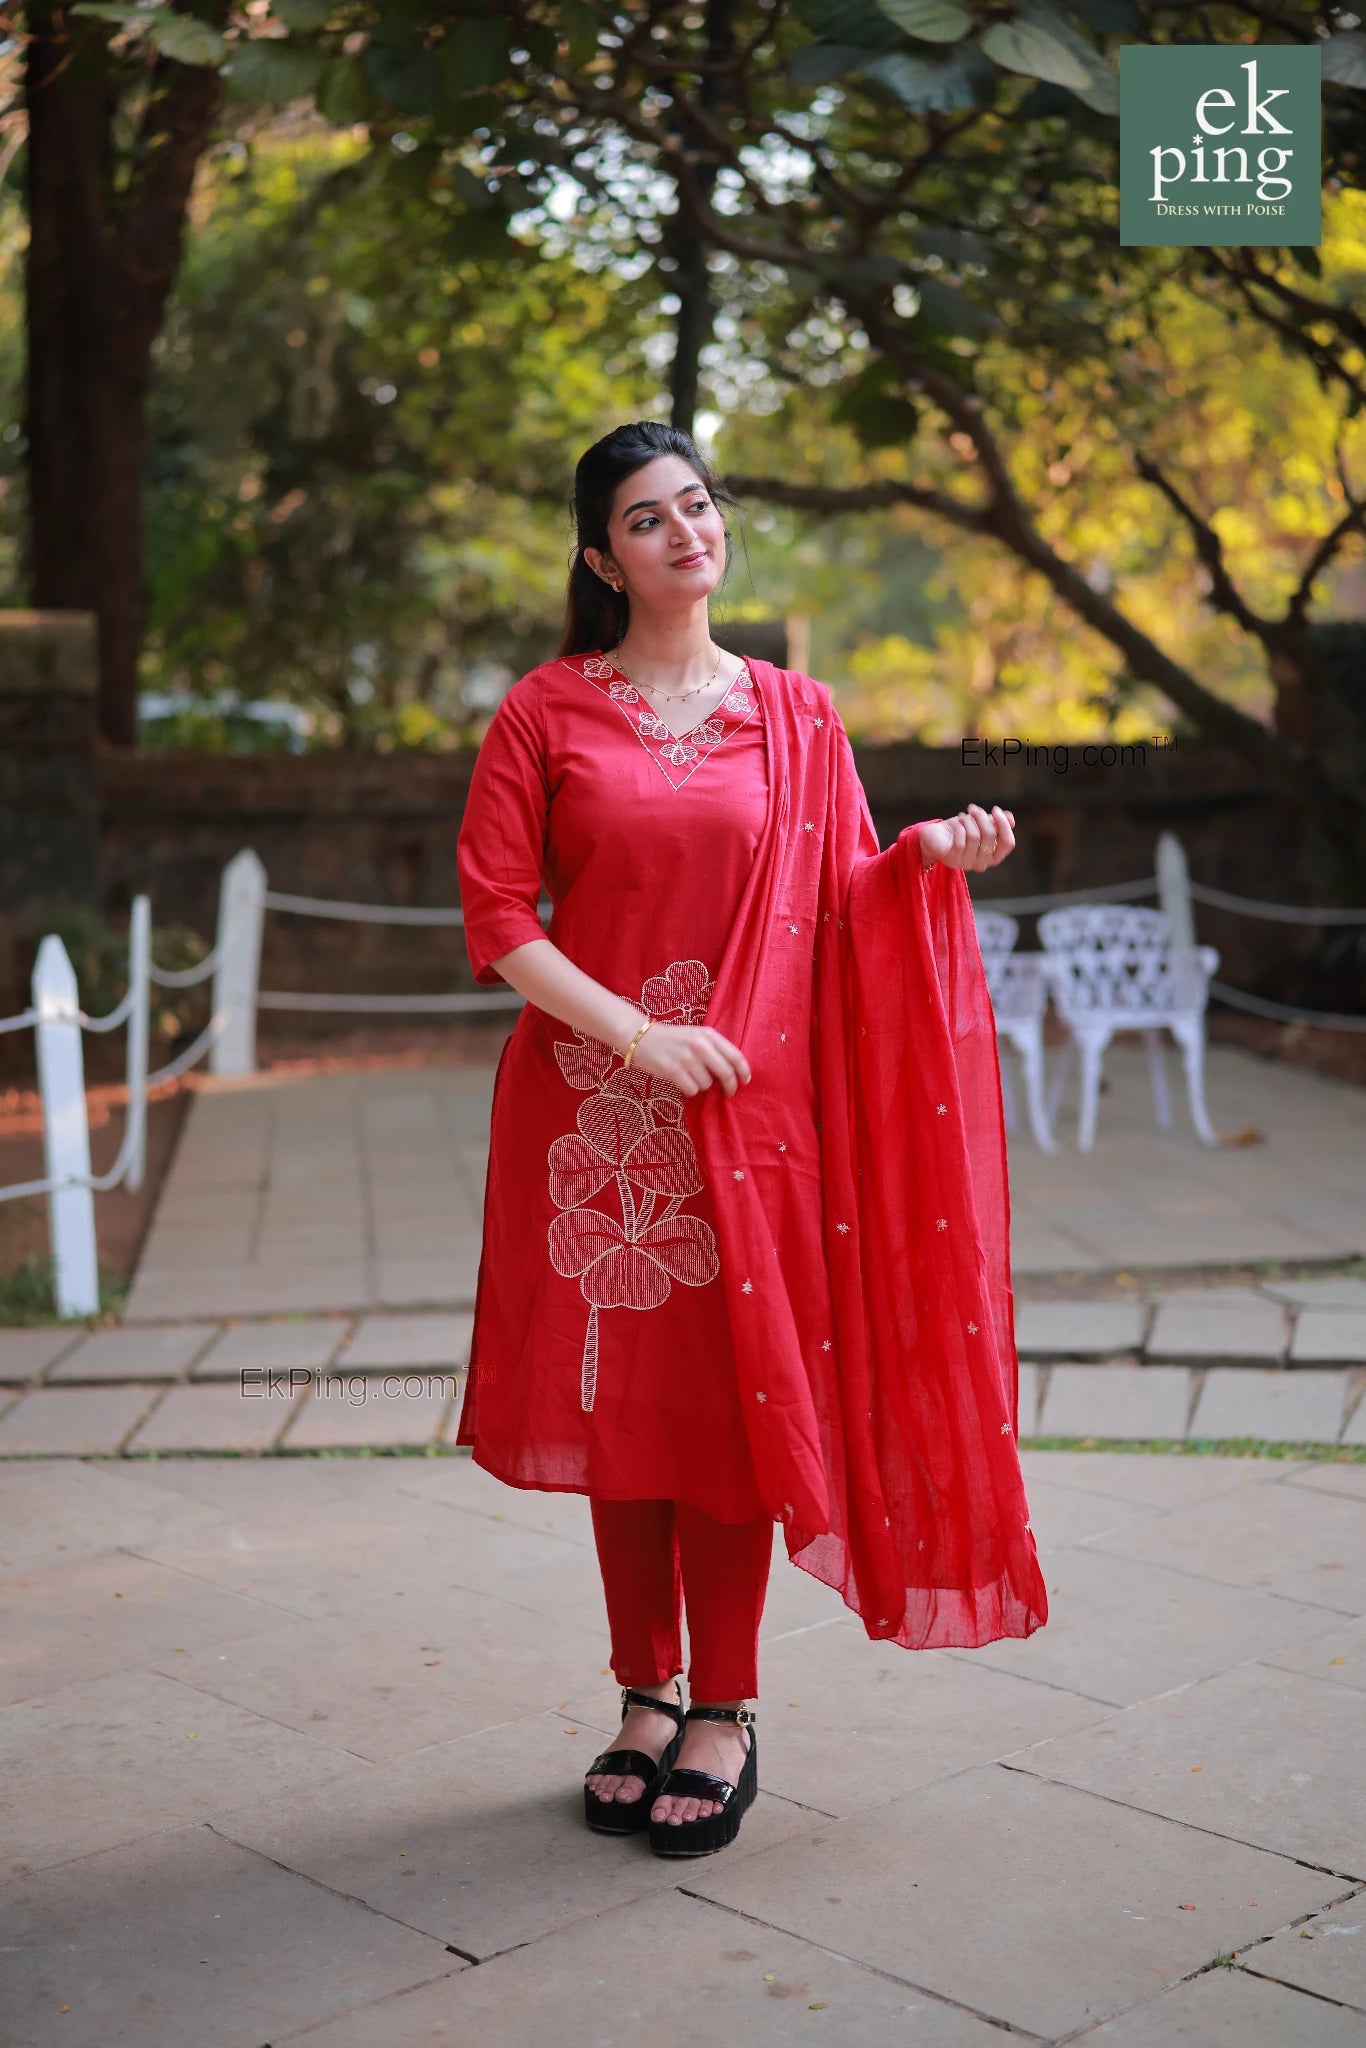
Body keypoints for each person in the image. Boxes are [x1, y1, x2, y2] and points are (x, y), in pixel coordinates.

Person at [455, 420, 1047, 1861]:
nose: (685, 533)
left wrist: (920, 863)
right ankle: (640, 1694)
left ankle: (724, 1705)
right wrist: (634, 1037)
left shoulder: (794, 713)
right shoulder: (544, 711)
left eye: (699, 506)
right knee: (620, 1415)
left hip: (744, 1118)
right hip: (596, 1120)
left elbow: (837, 897)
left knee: (727, 1415)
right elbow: (497, 920)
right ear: (602, 556)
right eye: (647, 520)